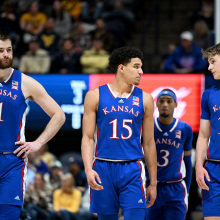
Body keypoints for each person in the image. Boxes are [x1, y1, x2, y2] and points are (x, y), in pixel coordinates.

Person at [81, 46, 157, 220]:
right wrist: (88, 169)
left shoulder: (145, 99)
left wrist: (153, 182)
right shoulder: (95, 95)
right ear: (121, 68)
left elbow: (149, 143)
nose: (141, 71)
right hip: (102, 166)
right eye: (136, 66)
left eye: (141, 67)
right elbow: (87, 137)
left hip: (132, 167)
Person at [0, 30, 65, 220]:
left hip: (12, 161)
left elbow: (58, 115)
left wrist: (37, 143)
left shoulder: (25, 82)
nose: (6, 54)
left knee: (8, 216)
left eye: (9, 50)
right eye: (1, 50)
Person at [145, 89, 193, 220]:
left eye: (169, 101)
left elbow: (188, 163)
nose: (165, 104)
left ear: (176, 104)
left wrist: (187, 190)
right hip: (152, 186)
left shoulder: (185, 129)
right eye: (161, 101)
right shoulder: (147, 127)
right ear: (157, 104)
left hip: (176, 187)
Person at [196, 43, 220, 219]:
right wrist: (198, 166)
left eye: (213, 62)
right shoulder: (208, 94)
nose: (209, 67)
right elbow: (203, 136)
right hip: (213, 169)